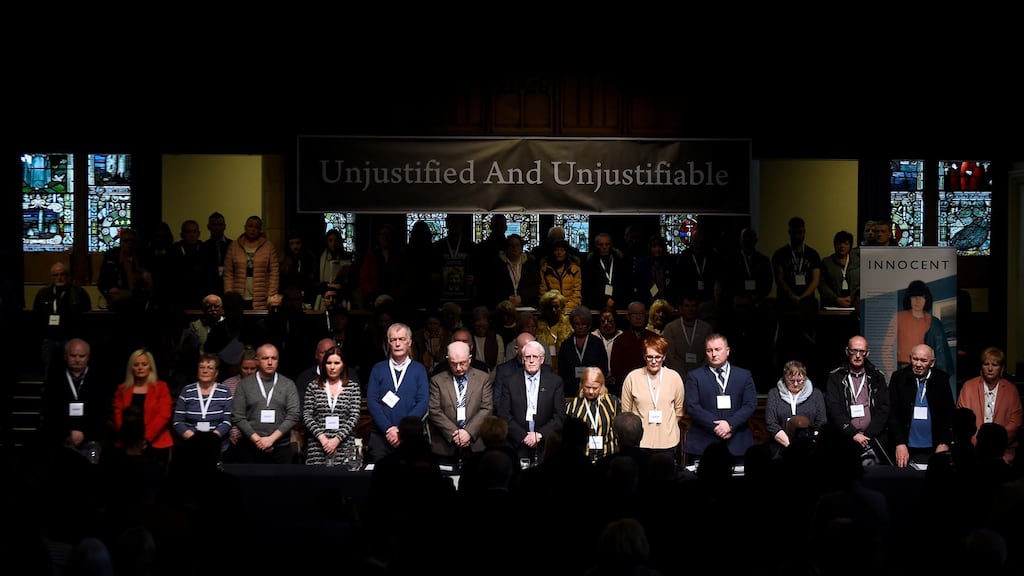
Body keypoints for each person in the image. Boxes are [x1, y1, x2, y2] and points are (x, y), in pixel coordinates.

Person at [683, 333, 758, 464]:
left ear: (727, 351)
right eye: (709, 350)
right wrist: (717, 427)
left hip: (737, 443)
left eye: (718, 349)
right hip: (703, 443)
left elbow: (750, 404)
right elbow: (692, 407)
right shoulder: (695, 376)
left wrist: (730, 425)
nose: (714, 354)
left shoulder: (744, 375)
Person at [365, 322, 430, 464]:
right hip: (381, 436)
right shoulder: (378, 369)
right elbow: (372, 401)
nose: (398, 344)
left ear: (410, 342)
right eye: (393, 340)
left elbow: (423, 402)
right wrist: (388, 429)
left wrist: (402, 430)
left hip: (410, 437)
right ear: (388, 343)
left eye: (401, 339)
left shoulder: (419, 369)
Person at [497, 339, 566, 465]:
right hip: (517, 443)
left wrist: (539, 435)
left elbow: (559, 416)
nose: (531, 360)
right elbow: (504, 415)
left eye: (535, 356)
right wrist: (523, 436)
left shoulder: (555, 382)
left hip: (545, 445)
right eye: (527, 357)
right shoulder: (510, 382)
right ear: (523, 359)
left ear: (542, 359)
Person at [229, 343, 301, 464]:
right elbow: (238, 416)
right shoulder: (244, 385)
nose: (269, 362)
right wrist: (258, 440)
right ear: (257, 361)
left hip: (281, 448)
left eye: (273, 358)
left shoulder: (288, 384)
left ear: (278, 361)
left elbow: (294, 415)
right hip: (250, 447)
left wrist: (271, 439)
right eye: (265, 358)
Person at [825, 335, 892, 463]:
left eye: (861, 351)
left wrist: (868, 434)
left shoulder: (877, 376)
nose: (857, 355)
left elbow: (884, 408)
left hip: (873, 438)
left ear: (867, 353)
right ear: (847, 351)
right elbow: (833, 408)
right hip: (845, 438)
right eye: (854, 350)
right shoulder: (835, 377)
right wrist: (853, 433)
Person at [427, 340, 493, 468]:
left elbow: (487, 408)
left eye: (462, 363)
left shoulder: (483, 378)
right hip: (445, 445)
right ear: (448, 359)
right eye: (453, 364)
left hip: (475, 444)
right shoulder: (437, 380)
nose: (458, 368)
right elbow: (434, 410)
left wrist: (468, 432)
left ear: (469, 359)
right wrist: (455, 433)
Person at [885, 279, 956, 399]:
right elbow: (886, 348)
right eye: (914, 297)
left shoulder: (933, 321)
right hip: (904, 369)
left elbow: (941, 352)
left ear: (926, 299)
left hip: (929, 371)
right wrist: (890, 371)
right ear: (909, 299)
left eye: (921, 297)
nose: (917, 301)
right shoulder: (898, 317)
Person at [888, 343, 955, 467]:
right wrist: (899, 443)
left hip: (935, 447)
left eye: (923, 360)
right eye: (915, 359)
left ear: (932, 362)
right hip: (905, 447)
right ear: (910, 358)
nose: (918, 364)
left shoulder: (941, 379)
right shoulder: (898, 378)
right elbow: (892, 413)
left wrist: (944, 442)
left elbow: (949, 414)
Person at [40, 338, 111, 454]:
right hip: (61, 438)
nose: (77, 360)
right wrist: (66, 434)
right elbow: (50, 411)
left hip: (91, 438)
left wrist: (85, 433)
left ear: (88, 357)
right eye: (73, 356)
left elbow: (101, 412)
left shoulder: (98, 381)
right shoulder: (54, 381)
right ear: (65, 356)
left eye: (81, 356)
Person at [620, 334, 685, 461]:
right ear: (644, 357)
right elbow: (626, 413)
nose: (654, 361)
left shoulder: (674, 377)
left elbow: (679, 411)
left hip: (668, 442)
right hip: (640, 443)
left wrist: (666, 427)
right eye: (650, 357)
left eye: (658, 357)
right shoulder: (633, 377)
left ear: (664, 357)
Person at [772, 216, 822, 373]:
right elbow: (779, 278)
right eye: (795, 232)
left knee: (807, 345)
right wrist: (792, 296)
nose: (798, 235)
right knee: (786, 345)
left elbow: (816, 279)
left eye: (801, 232)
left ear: (804, 232)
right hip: (786, 306)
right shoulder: (780, 254)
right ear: (789, 232)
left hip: (806, 306)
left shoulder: (813, 254)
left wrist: (803, 296)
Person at [957, 346, 1022, 464]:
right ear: (981, 367)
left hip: (1002, 452)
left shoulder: (1011, 390)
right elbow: (963, 422)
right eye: (986, 364)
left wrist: (996, 444)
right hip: (972, 449)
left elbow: (1015, 423)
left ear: (1002, 368)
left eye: (995, 365)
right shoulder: (968, 387)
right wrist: (977, 444)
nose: (990, 368)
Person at [111, 348, 175, 465]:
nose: (140, 368)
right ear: (131, 367)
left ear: (150, 366)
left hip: (156, 443)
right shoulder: (122, 389)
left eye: (144, 364)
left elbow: (164, 415)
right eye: (136, 365)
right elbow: (118, 415)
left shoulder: (161, 387)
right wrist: (130, 439)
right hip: (127, 444)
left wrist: (145, 437)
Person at [303, 345, 361, 467]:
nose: (332, 367)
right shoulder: (313, 386)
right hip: (318, 446)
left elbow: (354, 417)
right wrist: (324, 440)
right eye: (329, 363)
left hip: (346, 445)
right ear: (324, 365)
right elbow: (307, 416)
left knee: (346, 483)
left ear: (343, 365)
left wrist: (336, 440)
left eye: (336, 363)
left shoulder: (352, 387)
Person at [34, 261, 92, 379]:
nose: (59, 277)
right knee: (49, 370)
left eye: (62, 274)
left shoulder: (78, 292)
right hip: (49, 338)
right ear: (51, 277)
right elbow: (37, 316)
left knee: (71, 371)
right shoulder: (43, 293)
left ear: (67, 275)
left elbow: (86, 315)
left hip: (70, 338)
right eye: (55, 275)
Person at [172, 353, 233, 454]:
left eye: (210, 368)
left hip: (217, 446)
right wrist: (195, 439)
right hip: (191, 444)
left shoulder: (225, 391)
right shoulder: (187, 391)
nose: (205, 371)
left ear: (216, 372)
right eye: (202, 367)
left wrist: (211, 440)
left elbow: (228, 421)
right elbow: (178, 421)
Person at [764, 360, 827, 456]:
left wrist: (810, 443)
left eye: (800, 380)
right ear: (785, 378)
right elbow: (770, 422)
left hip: (811, 447)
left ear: (805, 378)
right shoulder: (774, 394)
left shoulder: (816, 394)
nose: (796, 384)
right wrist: (789, 446)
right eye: (792, 381)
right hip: (781, 447)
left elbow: (821, 421)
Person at [223, 215, 280, 310]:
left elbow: (274, 272)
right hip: (238, 295)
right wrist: (229, 294)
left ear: (260, 229)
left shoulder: (268, 246)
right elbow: (228, 272)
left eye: (256, 227)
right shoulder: (234, 246)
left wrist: (271, 294)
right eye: (250, 226)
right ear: (245, 227)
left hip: (261, 296)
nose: (253, 230)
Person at [566, 366, 619, 463]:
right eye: (587, 387)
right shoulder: (573, 406)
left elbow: (617, 430)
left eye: (595, 388)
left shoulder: (613, 402)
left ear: (602, 386)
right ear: (582, 385)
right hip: (582, 460)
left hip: (607, 457)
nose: (591, 392)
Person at [558, 306, 609, 398]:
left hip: (593, 390)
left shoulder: (597, 343)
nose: (580, 327)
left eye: (583, 324)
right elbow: (562, 371)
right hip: (570, 392)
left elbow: (603, 367)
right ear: (573, 325)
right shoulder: (566, 344)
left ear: (589, 325)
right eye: (577, 324)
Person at [610, 301, 657, 394]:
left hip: (652, 385)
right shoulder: (620, 340)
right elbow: (615, 368)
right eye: (635, 314)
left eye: (641, 314)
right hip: (627, 386)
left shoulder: (654, 338)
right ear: (628, 317)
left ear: (646, 316)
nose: (638, 317)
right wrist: (632, 381)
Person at [582, 232, 632, 312]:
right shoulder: (590, 264)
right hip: (597, 306)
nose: (604, 247)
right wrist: (605, 300)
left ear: (611, 245)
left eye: (607, 244)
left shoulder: (620, 262)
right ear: (596, 246)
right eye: (601, 245)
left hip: (618, 304)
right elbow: (588, 288)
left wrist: (614, 300)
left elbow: (624, 285)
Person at [492, 232, 541, 310]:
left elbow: (534, 286)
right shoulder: (498, 264)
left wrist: (522, 298)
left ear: (521, 248)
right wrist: (508, 298)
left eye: (517, 245)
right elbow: (494, 286)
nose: (514, 247)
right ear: (507, 248)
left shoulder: (529, 264)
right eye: (511, 245)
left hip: (526, 304)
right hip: (504, 305)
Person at [819, 230, 860, 310]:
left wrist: (852, 297)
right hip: (831, 305)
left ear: (850, 246)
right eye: (839, 243)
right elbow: (822, 284)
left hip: (853, 305)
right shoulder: (826, 262)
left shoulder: (857, 262)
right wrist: (836, 299)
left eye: (846, 244)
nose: (842, 246)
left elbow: (861, 283)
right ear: (834, 245)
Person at [538, 238, 583, 311]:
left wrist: (566, 309)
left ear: (566, 252)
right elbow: (543, 294)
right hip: (551, 309)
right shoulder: (545, 270)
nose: (559, 253)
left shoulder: (575, 269)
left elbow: (576, 294)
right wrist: (553, 307)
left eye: (562, 250)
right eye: (556, 250)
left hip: (570, 309)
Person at [535, 289, 573, 372]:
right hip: (543, 368)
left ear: (562, 307)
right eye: (550, 307)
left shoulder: (569, 327)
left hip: (565, 368)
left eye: (556, 307)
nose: (553, 310)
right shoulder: (537, 327)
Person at [278, 230, 318, 306]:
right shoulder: (285, 260)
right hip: (289, 298)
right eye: (292, 244)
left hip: (307, 296)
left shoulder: (309, 258)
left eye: (297, 243)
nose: (295, 246)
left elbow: (312, 278)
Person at [199, 211, 231, 297]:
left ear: (224, 227)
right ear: (209, 227)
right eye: (214, 225)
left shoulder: (232, 245)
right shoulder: (202, 247)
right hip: (208, 288)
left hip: (227, 287)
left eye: (220, 225)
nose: (217, 228)